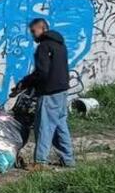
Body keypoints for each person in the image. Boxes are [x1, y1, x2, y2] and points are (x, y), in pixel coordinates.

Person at [10, 18, 75, 170]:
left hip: (49, 92)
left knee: (44, 126)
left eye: (34, 31)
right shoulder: (61, 45)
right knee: (60, 126)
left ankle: (40, 162)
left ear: (43, 28)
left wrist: (25, 84)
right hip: (62, 91)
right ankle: (68, 159)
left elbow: (42, 72)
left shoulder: (43, 47)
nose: (32, 35)